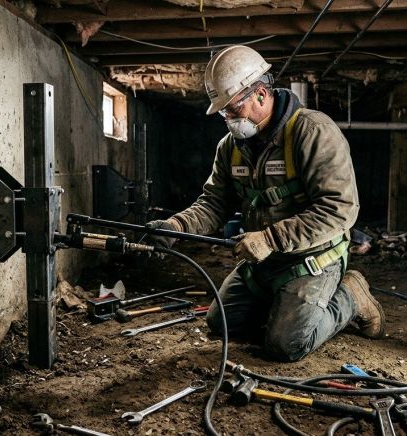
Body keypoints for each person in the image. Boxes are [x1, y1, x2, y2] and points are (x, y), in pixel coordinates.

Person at [145, 45, 385, 362]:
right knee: (222, 324)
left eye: (232, 108)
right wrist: (175, 227)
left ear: (260, 94)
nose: (228, 118)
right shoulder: (229, 147)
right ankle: (283, 303)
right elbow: (214, 202)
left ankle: (351, 296)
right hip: (264, 260)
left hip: (314, 256)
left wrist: (272, 238)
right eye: (223, 112)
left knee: (286, 345)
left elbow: (340, 209)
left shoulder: (312, 132)